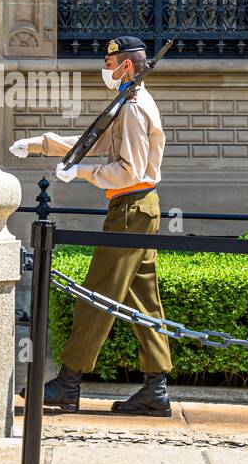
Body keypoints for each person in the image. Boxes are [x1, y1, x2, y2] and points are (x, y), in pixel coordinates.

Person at [9, 35, 173, 416]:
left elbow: (126, 170)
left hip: (130, 209)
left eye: (109, 61)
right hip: (137, 210)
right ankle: (156, 388)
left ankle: (68, 383)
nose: (105, 68)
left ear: (127, 66)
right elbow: (95, 142)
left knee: (97, 295)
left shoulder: (133, 109)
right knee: (143, 301)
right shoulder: (129, 102)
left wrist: (80, 173)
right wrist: (41, 144)